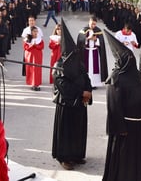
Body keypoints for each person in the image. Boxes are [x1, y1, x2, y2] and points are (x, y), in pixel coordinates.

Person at [102, 30, 141, 181]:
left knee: (134, 155)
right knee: (123, 157)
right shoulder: (116, 78)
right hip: (125, 128)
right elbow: (113, 107)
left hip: (137, 124)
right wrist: (120, 128)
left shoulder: (137, 75)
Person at [52, 19, 92, 170]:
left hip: (80, 102)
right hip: (67, 103)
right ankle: (65, 157)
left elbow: (86, 77)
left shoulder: (79, 63)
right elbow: (63, 85)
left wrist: (88, 91)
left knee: (79, 129)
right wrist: (81, 92)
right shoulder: (59, 66)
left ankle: (77, 154)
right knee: (67, 132)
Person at [77, 16, 108, 88]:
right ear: (89, 22)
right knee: (86, 68)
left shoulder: (98, 31)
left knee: (95, 68)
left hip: (95, 52)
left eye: (94, 24)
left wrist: (96, 40)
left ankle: (94, 83)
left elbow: (101, 43)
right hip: (86, 52)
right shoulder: (83, 30)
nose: (93, 26)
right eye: (92, 24)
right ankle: (86, 83)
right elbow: (80, 41)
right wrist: (88, 38)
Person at [23, 26, 44, 91]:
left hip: (37, 56)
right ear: (31, 32)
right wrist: (32, 45)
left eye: (36, 31)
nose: (35, 33)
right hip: (30, 56)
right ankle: (32, 84)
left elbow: (42, 46)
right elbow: (25, 47)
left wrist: (36, 45)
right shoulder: (27, 39)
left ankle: (36, 84)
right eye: (34, 31)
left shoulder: (39, 39)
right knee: (31, 69)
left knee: (37, 70)